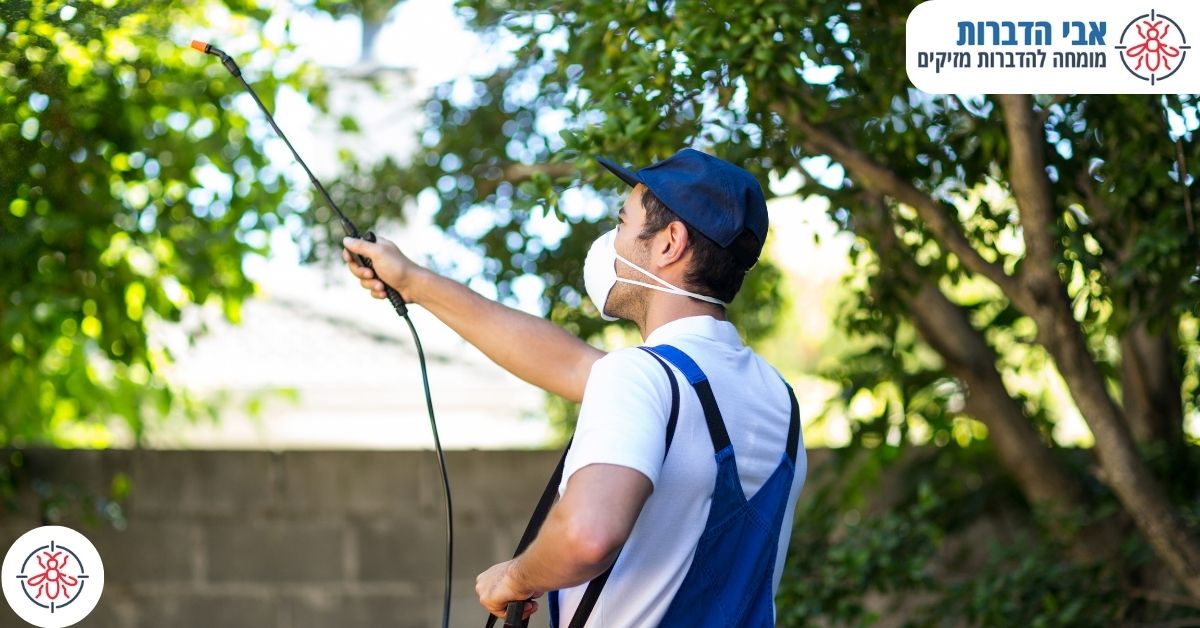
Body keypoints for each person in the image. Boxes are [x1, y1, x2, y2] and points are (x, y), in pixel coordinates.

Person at [341, 148, 807, 627]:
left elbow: (589, 534)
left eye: (623, 222)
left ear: (670, 243)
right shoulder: (777, 402)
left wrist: (517, 577)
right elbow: (567, 366)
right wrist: (413, 281)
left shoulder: (642, 378)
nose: (611, 240)